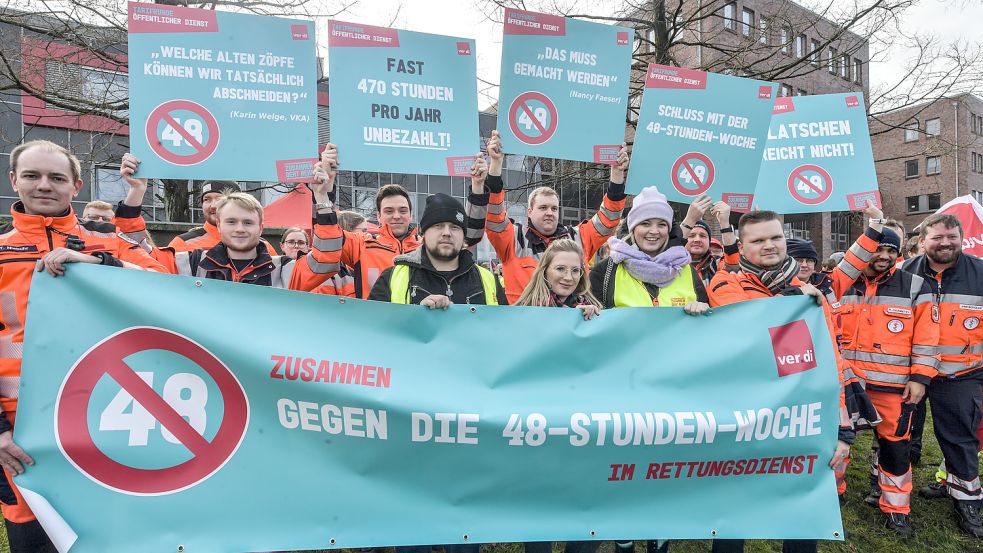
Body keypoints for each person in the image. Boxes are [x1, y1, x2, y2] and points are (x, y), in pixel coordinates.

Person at [0, 140, 165, 552]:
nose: (44, 186)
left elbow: (169, 285)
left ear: (76, 186)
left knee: (112, 532)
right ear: (13, 179)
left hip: (107, 415)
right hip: (20, 430)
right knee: (34, 535)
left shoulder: (105, 243)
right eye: (32, 175)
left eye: (56, 178)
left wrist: (102, 267)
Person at [706, 210, 866, 553]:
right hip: (745, 420)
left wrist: (842, 430)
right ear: (742, 246)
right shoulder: (725, 283)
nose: (769, 246)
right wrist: (792, 309)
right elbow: (750, 331)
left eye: (775, 237)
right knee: (734, 514)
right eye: (758, 240)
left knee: (801, 515)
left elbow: (829, 365)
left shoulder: (809, 295)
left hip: (799, 419)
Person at [827, 202, 939, 536]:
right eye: (878, 247)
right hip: (846, 387)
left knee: (894, 449)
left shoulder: (915, 286)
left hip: (893, 390)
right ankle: (831, 495)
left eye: (892, 250)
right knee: (836, 445)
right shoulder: (840, 284)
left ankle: (896, 507)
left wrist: (920, 378)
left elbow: (928, 340)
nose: (884, 255)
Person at [118, 158, 342, 290]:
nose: (240, 228)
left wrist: (321, 199)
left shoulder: (283, 269)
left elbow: (326, 259)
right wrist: (136, 193)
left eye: (248, 222)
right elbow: (133, 251)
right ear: (219, 224)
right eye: (231, 221)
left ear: (261, 227)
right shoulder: (191, 263)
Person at [473, 130, 628, 304]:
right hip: (525, 326)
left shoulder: (577, 238)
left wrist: (616, 173)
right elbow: (493, 214)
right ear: (529, 212)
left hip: (570, 324)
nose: (550, 212)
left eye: (554, 208)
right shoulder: (513, 239)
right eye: (543, 207)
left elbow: (609, 219)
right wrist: (496, 163)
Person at [902, 213, 983, 538]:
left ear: (961, 239)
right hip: (911, 375)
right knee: (900, 435)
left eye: (952, 237)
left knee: (960, 439)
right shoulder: (904, 273)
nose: (945, 243)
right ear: (922, 241)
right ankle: (890, 492)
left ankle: (967, 501)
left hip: (962, 374)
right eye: (937, 237)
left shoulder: (979, 273)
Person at [370, 193, 506, 306]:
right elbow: (375, 332)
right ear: (423, 233)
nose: (446, 233)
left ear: (463, 235)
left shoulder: (488, 279)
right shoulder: (392, 277)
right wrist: (415, 316)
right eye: (438, 226)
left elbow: (503, 331)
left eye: (455, 227)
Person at [590, 186, 710, 313]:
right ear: (633, 229)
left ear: (668, 230)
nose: (654, 231)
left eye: (662, 224)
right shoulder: (605, 272)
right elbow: (591, 322)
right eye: (645, 224)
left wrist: (703, 310)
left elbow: (707, 324)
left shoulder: (687, 271)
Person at [515, 239, 601, 319]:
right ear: (544, 271)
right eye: (560, 269)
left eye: (575, 270)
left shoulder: (592, 310)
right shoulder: (521, 314)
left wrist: (585, 318)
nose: (569, 278)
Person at [168, 179, 242, 251]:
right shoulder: (182, 244)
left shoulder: (250, 242)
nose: (213, 206)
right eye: (206, 199)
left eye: (220, 199)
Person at [315, 210, 368, 297]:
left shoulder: (363, 264)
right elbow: (323, 305)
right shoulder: (329, 269)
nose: (368, 235)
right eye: (364, 230)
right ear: (348, 230)